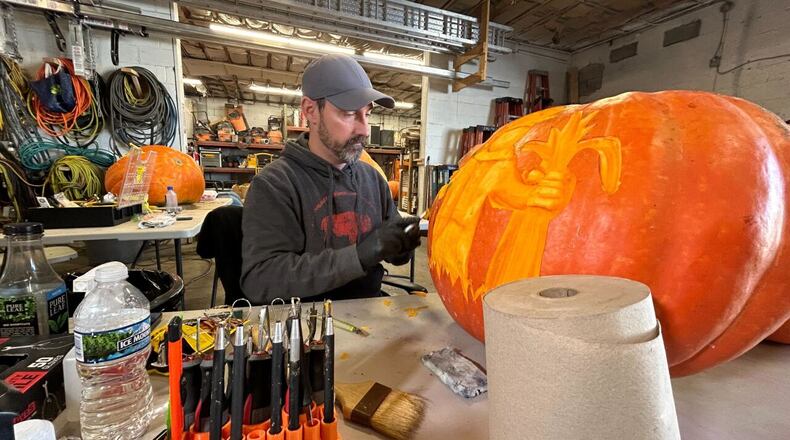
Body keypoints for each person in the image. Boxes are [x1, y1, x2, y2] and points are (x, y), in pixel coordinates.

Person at [240, 54, 420, 304]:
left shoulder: (373, 179)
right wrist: (359, 256)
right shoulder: (275, 184)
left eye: (367, 114)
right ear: (310, 111)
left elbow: (388, 243)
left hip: (371, 314)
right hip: (306, 324)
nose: (364, 129)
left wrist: (400, 247)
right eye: (348, 113)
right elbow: (261, 279)